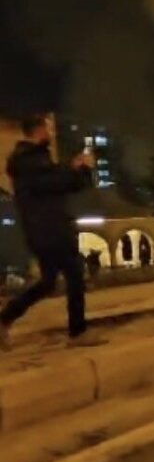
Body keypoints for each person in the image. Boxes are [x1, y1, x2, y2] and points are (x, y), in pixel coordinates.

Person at [0, 115, 103, 349]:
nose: (52, 133)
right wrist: (82, 168)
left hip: (43, 230)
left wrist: (73, 168)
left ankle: (5, 318)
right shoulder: (29, 160)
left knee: (48, 282)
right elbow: (59, 183)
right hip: (51, 229)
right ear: (38, 131)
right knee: (75, 273)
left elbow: (55, 179)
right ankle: (78, 333)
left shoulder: (30, 160)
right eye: (48, 129)